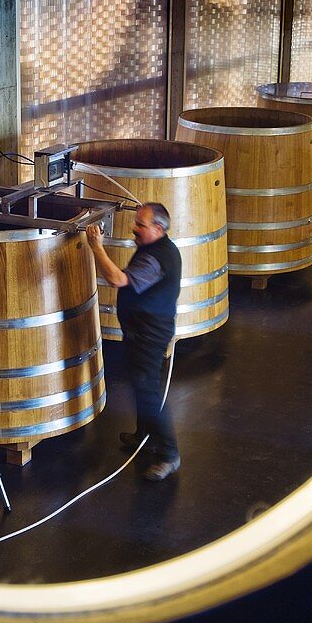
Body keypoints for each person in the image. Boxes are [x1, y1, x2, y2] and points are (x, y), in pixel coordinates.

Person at [86, 202, 182, 481]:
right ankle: (145, 436)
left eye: (141, 224)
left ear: (158, 229)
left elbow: (117, 279)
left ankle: (169, 454)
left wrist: (96, 246)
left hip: (149, 333)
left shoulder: (158, 257)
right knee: (141, 385)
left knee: (147, 392)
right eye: (136, 222)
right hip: (140, 328)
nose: (134, 228)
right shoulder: (157, 248)